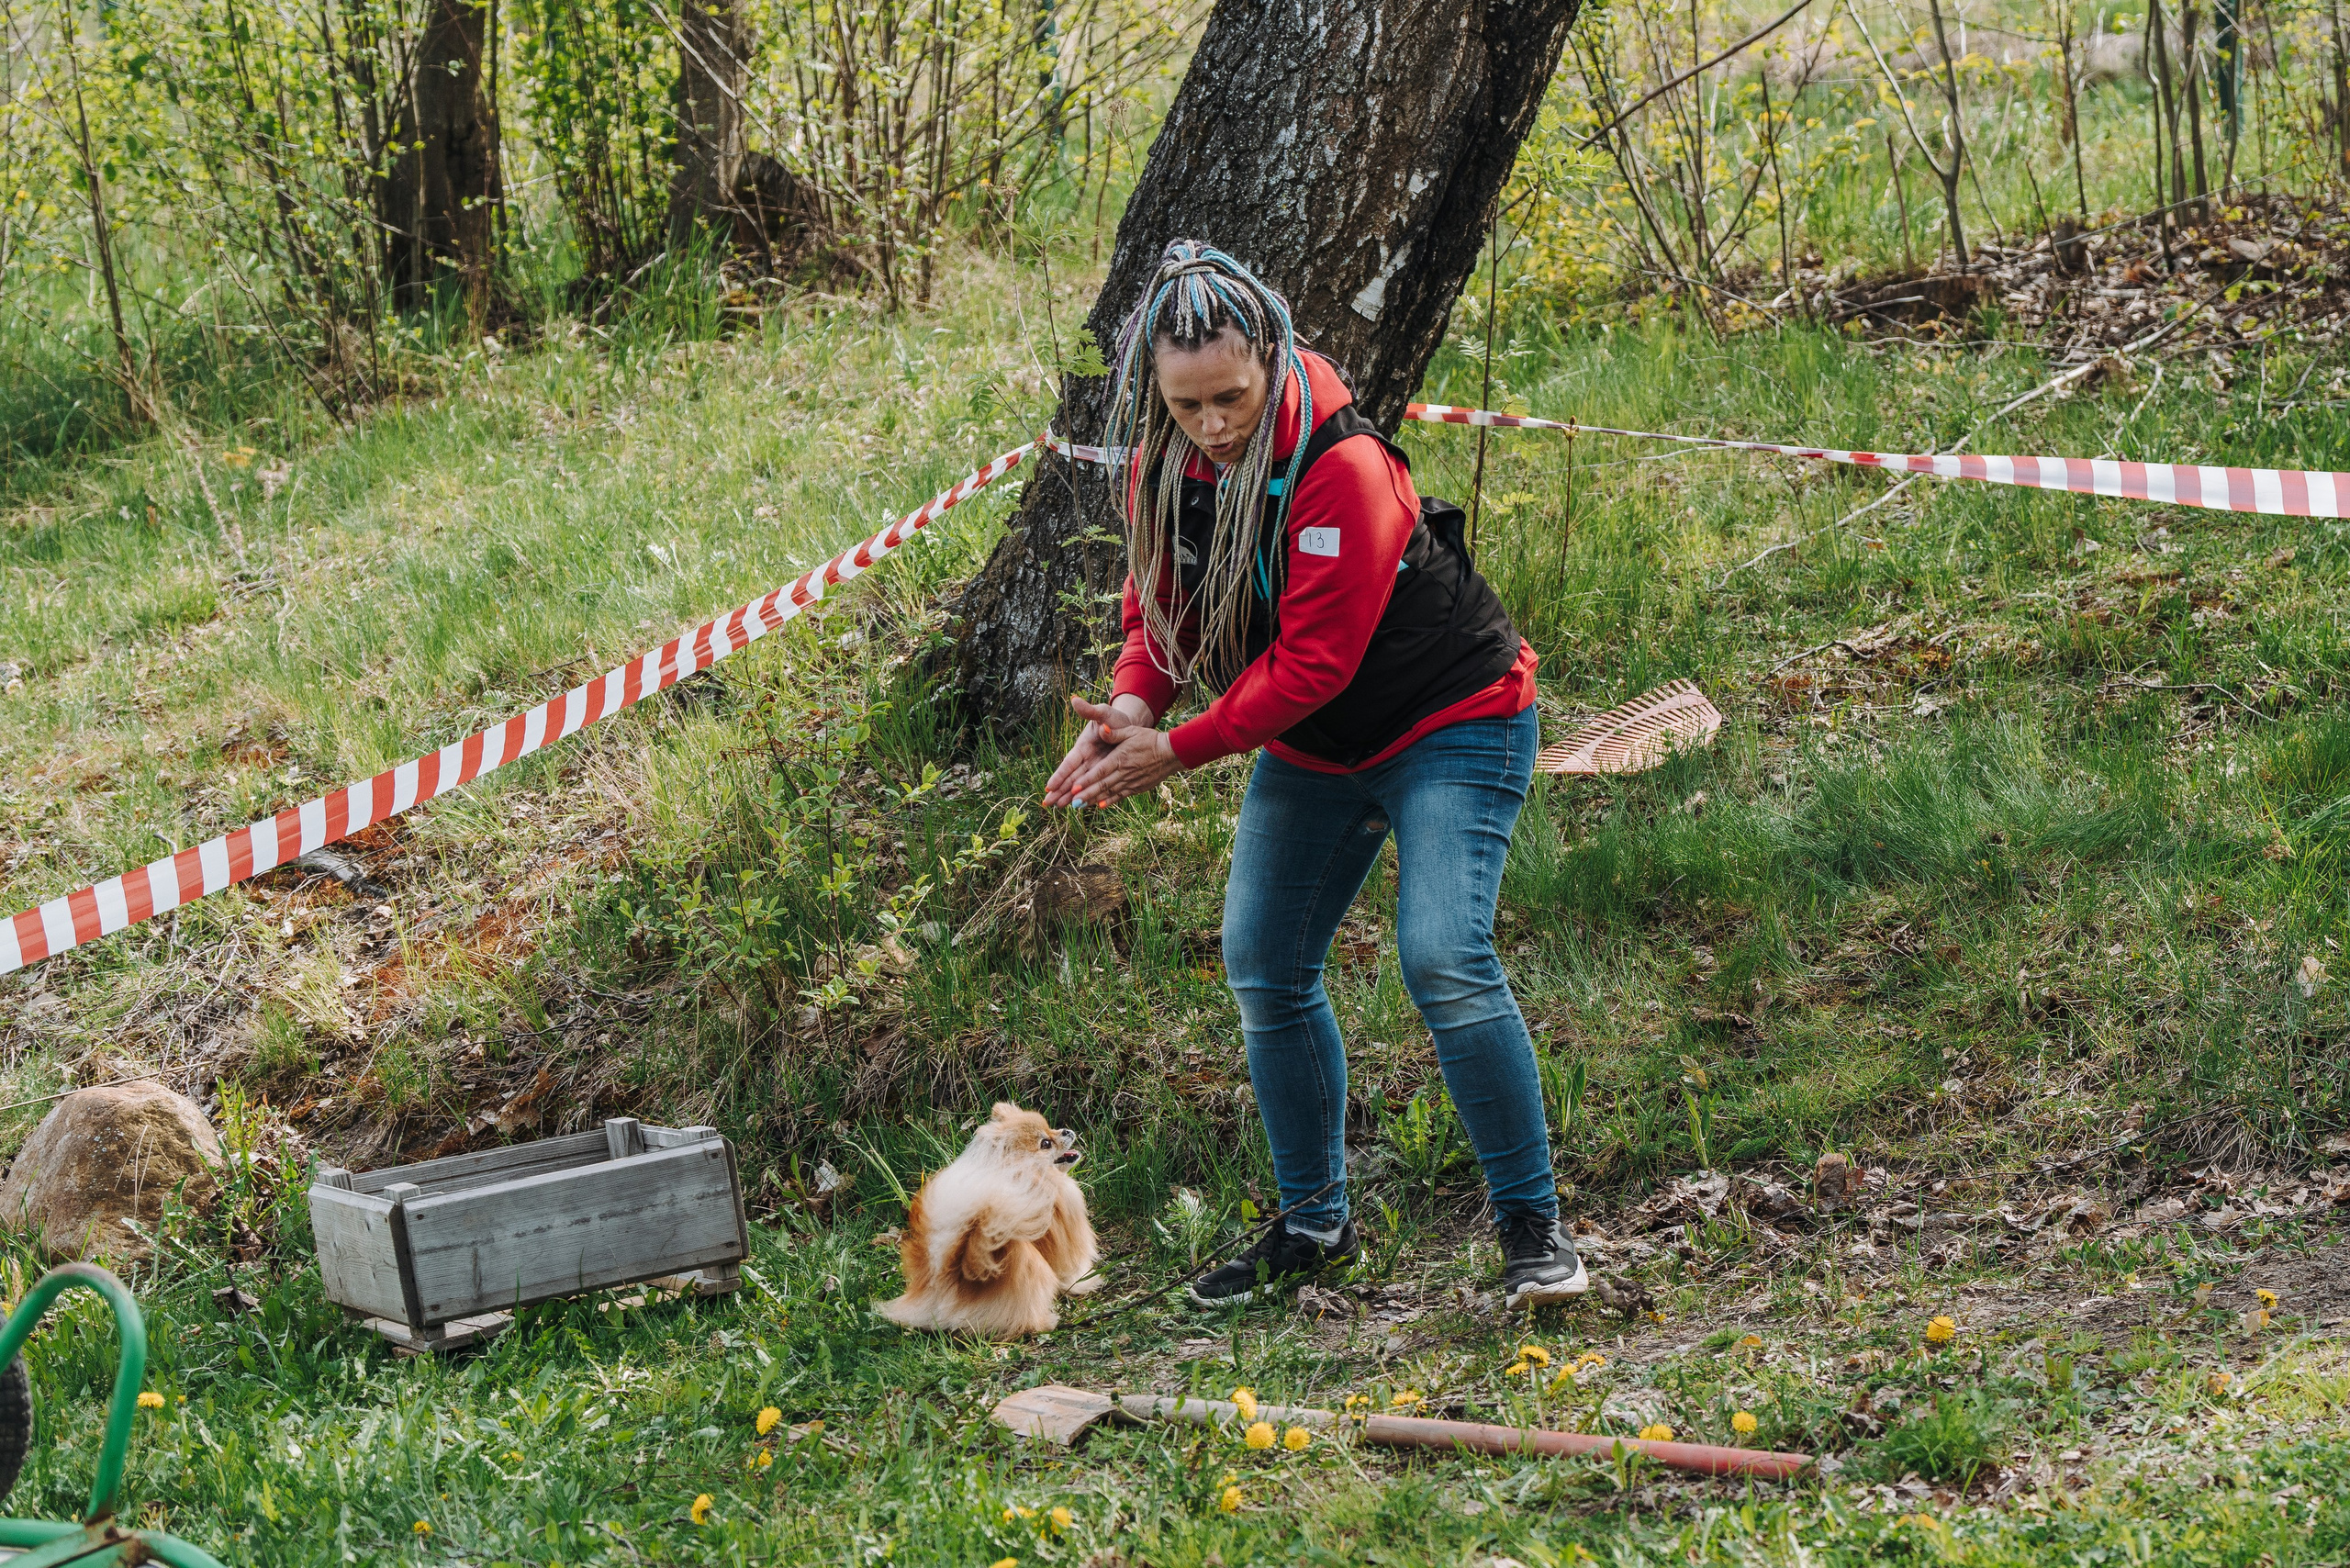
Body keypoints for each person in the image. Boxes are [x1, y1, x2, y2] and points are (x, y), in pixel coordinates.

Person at [1042, 241, 1585, 1310]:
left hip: (1450, 719)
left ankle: (1534, 1230)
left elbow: (1316, 661)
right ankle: (1314, 1222)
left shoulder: (1341, 463)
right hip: (1318, 744)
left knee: (1441, 953)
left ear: (1274, 357)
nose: (1210, 422)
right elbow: (1160, 613)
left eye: (1230, 396)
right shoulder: (1169, 461)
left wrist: (1183, 748)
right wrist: (1133, 709)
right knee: (1263, 963)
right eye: (1185, 402)